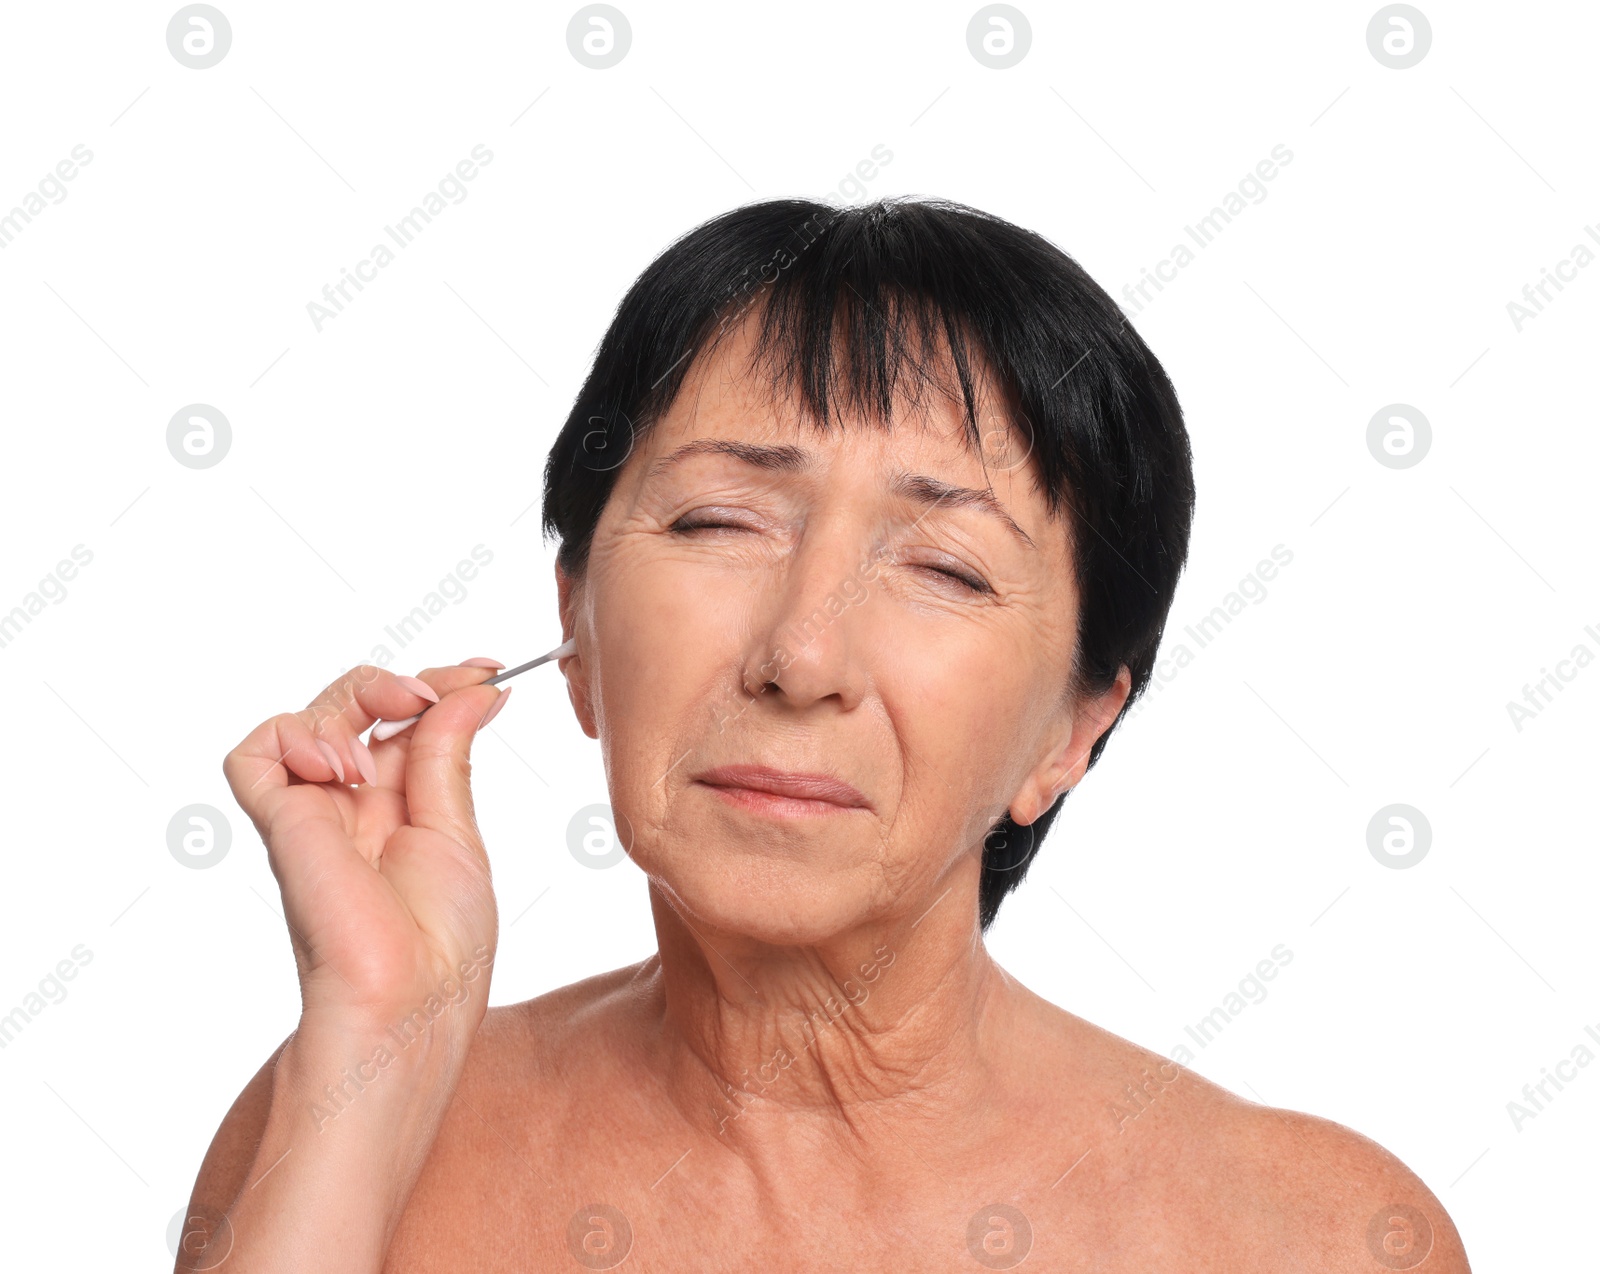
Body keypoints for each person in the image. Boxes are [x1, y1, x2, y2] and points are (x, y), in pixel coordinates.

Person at [180, 197, 1469, 1272]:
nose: (799, 656)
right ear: (574, 632)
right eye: (718, 523)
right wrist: (375, 1025)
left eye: (947, 569)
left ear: (1074, 729)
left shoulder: (1318, 1237)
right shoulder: (351, 1130)